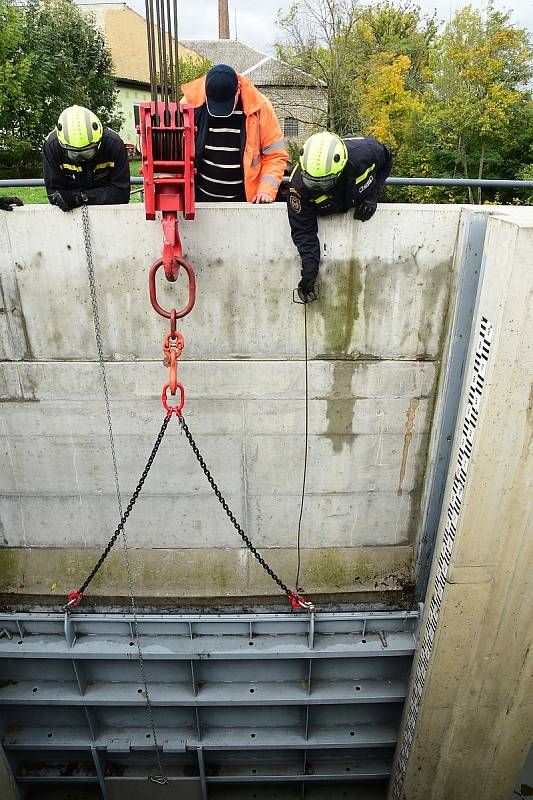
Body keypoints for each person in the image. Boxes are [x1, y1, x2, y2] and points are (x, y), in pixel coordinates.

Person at [287, 132, 393, 303]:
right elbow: (304, 231)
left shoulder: (366, 151)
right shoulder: (298, 186)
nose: (317, 188)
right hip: (328, 206)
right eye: (312, 182)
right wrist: (309, 273)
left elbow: (387, 160)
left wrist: (372, 197)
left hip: (354, 191)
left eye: (323, 183)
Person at [181, 64, 288, 203]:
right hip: (200, 200)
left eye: (225, 104)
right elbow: (175, 154)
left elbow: (275, 155)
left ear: (238, 89)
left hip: (244, 201)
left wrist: (266, 190)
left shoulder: (260, 108)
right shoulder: (190, 105)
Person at [42, 105, 130, 211]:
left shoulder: (114, 145)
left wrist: (81, 197)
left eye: (88, 153)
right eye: (74, 154)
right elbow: (55, 194)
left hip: (109, 211)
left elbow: (122, 193)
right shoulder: (52, 147)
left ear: (99, 143)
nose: (82, 159)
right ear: (63, 146)